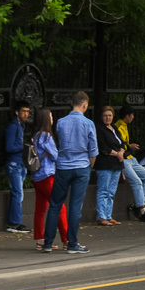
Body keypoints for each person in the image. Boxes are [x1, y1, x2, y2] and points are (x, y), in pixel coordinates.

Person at [42, 91, 98, 255]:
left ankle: (47, 243)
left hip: (63, 167)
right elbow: (93, 150)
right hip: (81, 167)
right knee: (75, 207)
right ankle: (72, 244)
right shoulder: (88, 124)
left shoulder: (60, 122)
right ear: (85, 105)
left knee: (55, 205)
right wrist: (89, 167)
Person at [29, 108, 68, 251]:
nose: (52, 119)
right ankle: (67, 239)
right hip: (47, 175)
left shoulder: (35, 135)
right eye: (51, 117)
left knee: (40, 209)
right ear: (46, 119)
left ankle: (40, 239)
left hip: (37, 177)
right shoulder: (46, 136)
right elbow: (56, 156)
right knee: (59, 206)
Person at [113, 105, 145, 222]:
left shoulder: (125, 125)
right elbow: (119, 144)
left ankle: (137, 205)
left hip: (131, 158)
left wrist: (129, 146)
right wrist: (129, 146)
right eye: (131, 115)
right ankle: (142, 209)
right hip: (125, 160)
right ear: (127, 116)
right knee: (136, 182)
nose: (133, 118)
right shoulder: (117, 126)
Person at [93, 105, 125, 226]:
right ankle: (101, 216)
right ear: (101, 116)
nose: (108, 118)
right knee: (103, 190)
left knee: (111, 191)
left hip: (117, 164)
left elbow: (122, 142)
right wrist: (117, 153)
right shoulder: (99, 129)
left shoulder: (114, 128)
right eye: (105, 115)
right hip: (105, 164)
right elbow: (102, 147)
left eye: (110, 115)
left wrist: (121, 151)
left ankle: (108, 215)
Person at [3, 101, 31, 233]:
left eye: (27, 111)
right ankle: (14, 223)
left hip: (19, 163)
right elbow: (9, 147)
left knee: (18, 193)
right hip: (14, 164)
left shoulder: (20, 126)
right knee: (17, 193)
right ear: (17, 112)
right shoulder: (13, 127)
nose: (26, 114)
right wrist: (23, 147)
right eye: (23, 111)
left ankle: (14, 222)